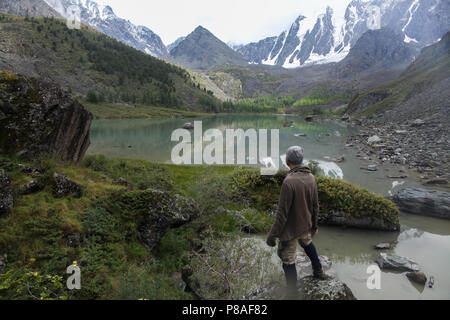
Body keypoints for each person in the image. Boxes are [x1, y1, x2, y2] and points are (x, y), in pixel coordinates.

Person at [266, 146, 328, 297]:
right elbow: (315, 205)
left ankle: (293, 294)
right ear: (300, 160)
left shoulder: (289, 182)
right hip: (305, 225)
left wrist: (271, 236)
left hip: (290, 231)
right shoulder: (311, 178)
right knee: (307, 244)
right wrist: (314, 225)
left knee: (288, 260)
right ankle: (318, 271)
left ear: (288, 161)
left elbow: (282, 214)